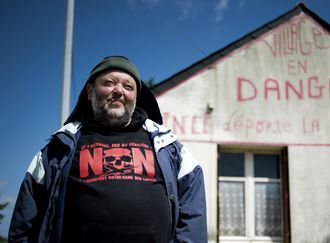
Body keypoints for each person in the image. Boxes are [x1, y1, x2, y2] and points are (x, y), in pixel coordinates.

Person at [9, 56, 207, 243]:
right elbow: (25, 222)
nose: (119, 90)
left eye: (128, 86)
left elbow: (192, 211)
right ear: (89, 91)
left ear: (136, 97)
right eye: (109, 83)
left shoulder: (168, 146)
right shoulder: (59, 148)